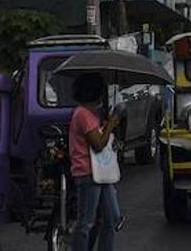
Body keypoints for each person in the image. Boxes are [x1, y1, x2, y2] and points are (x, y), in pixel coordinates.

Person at [69, 74, 122, 251]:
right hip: (88, 173)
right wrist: (111, 125)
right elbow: (98, 144)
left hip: (101, 173)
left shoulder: (91, 114)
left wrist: (107, 128)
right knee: (86, 222)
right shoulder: (83, 114)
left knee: (111, 218)